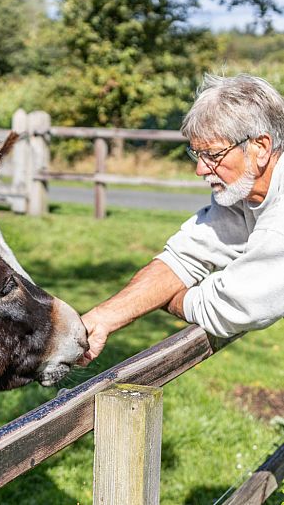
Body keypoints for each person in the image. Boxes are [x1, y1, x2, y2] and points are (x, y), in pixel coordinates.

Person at [81, 73, 284, 365]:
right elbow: (184, 258)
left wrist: (173, 300)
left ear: (261, 147)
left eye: (213, 154)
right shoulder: (243, 193)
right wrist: (104, 318)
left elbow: (235, 305)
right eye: (197, 154)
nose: (201, 169)